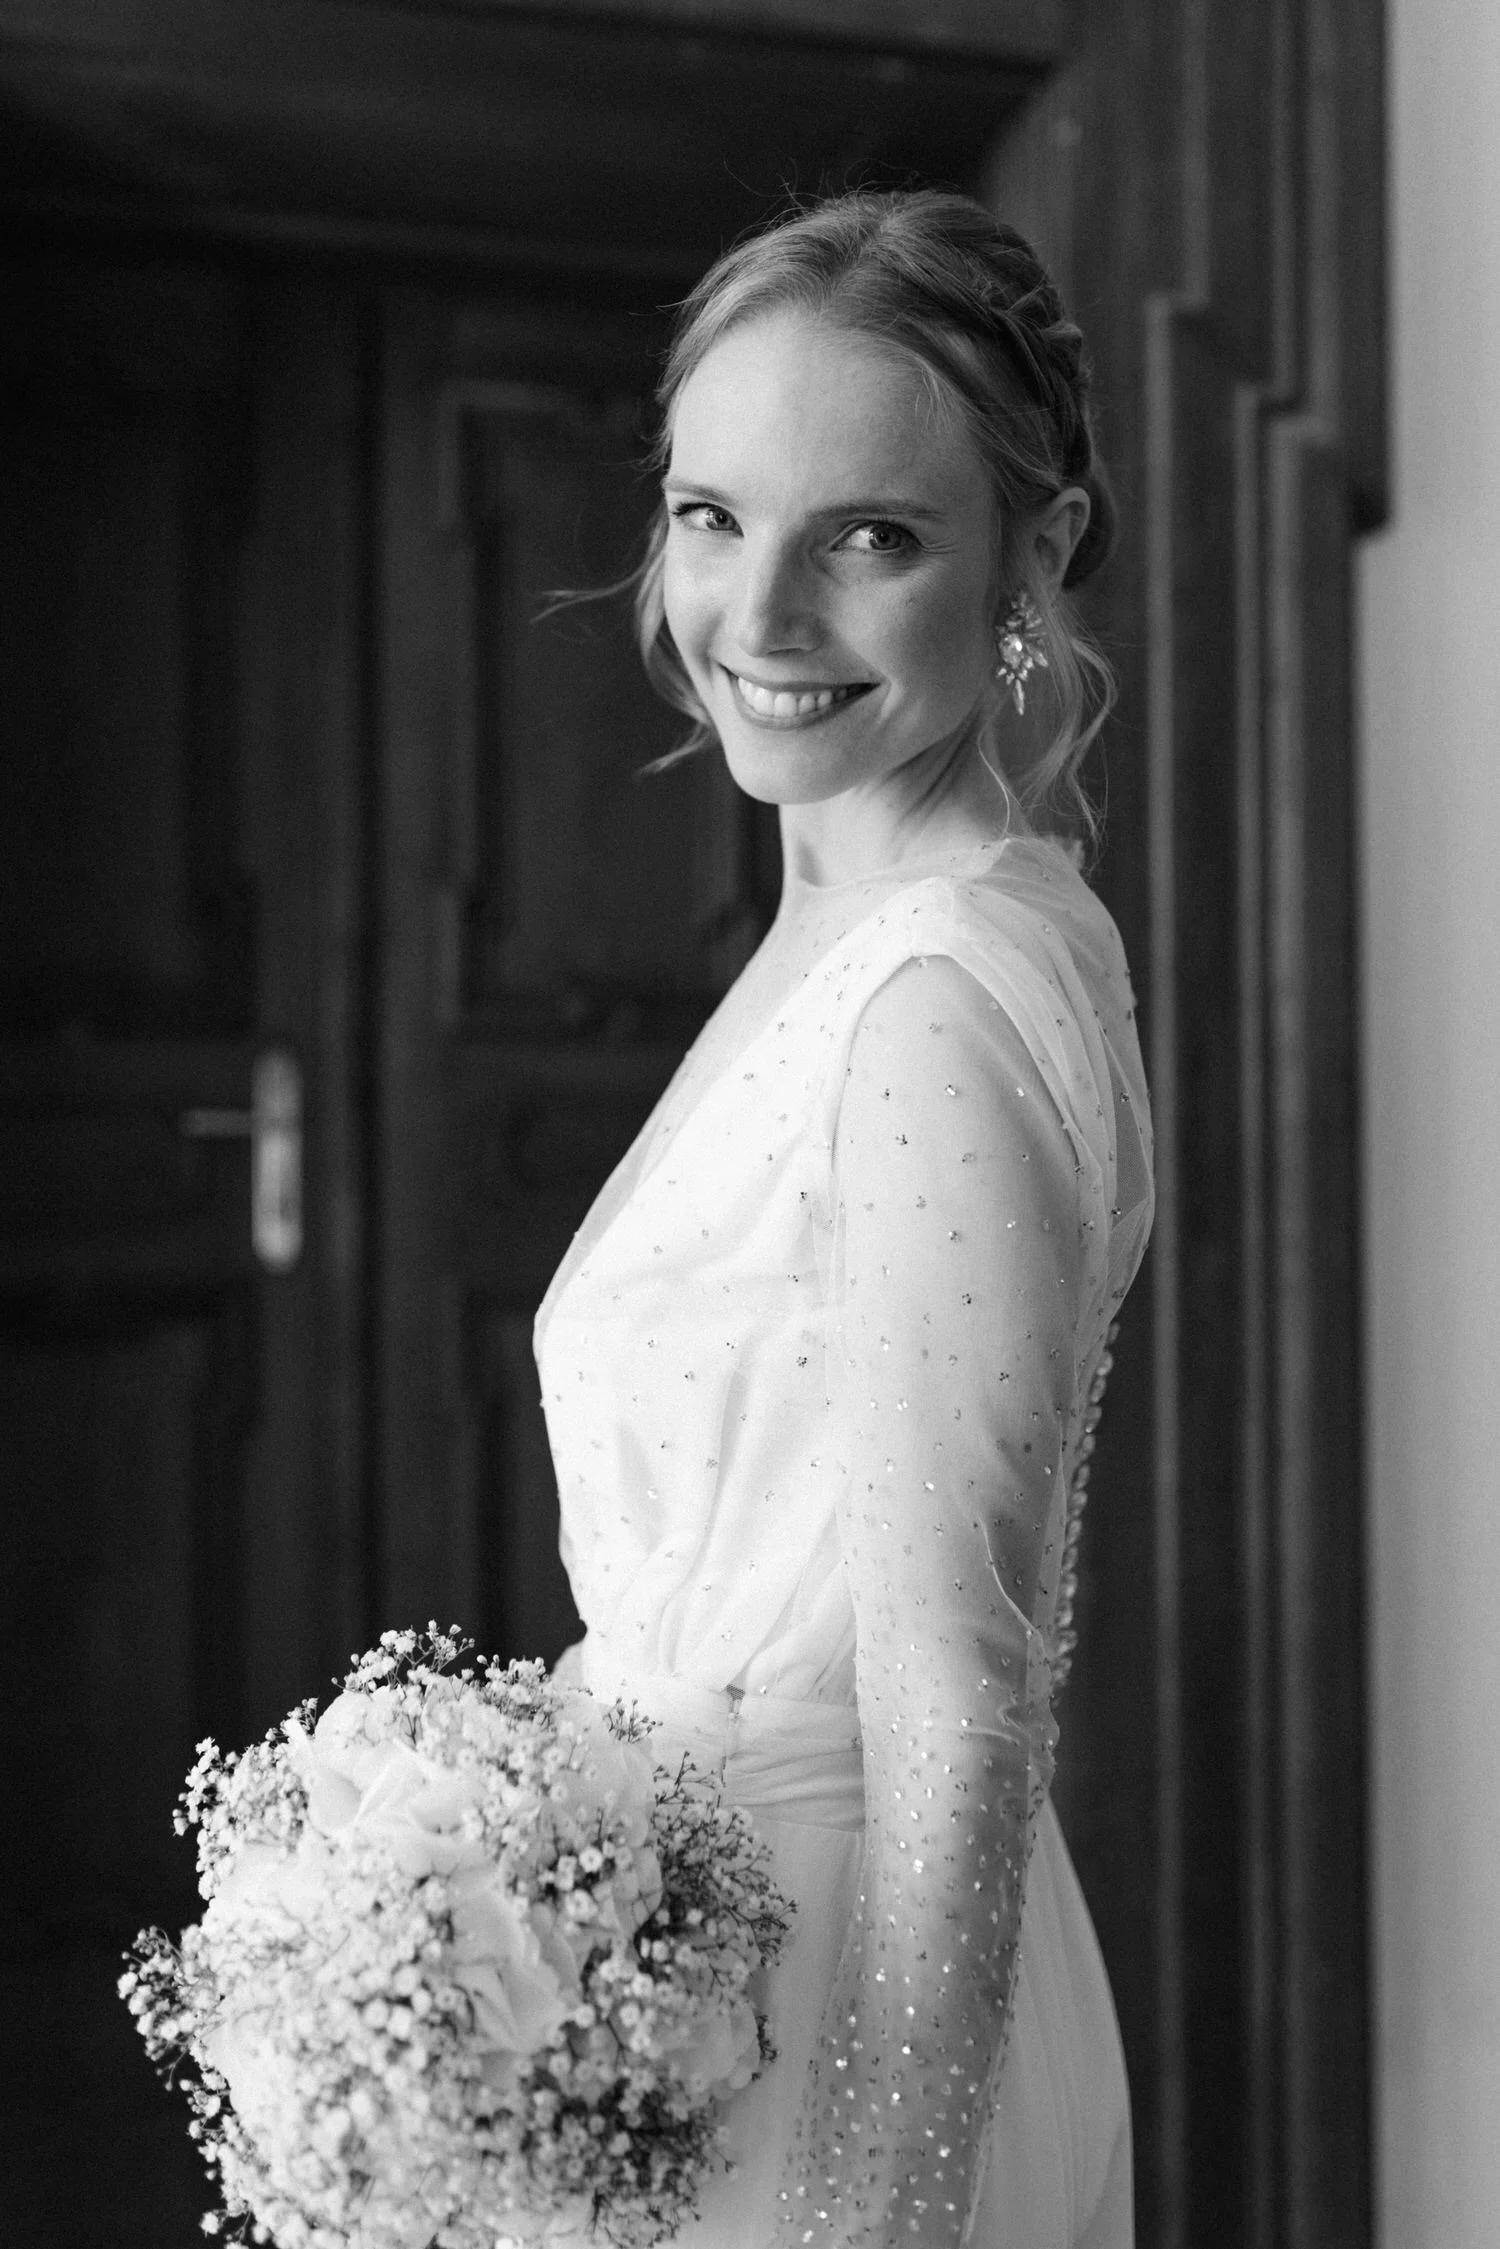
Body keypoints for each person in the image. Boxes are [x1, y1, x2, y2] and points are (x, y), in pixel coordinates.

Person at [535, 187, 1154, 2249]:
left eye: (869, 535)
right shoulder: (860, 921)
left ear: (1035, 557)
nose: (761, 613)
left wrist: (872, 2215)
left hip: (839, 2029)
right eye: (713, 515)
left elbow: (961, 1715)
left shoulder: (932, 999)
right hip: (709, 1974)